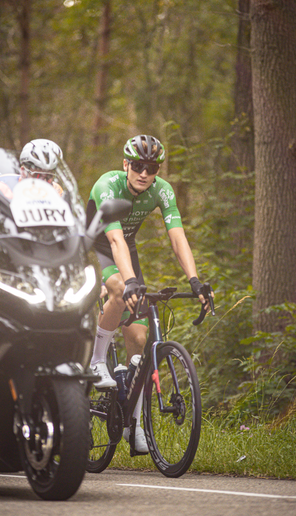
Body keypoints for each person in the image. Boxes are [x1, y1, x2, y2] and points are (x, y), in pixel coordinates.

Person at [86, 134, 209, 453]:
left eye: (152, 167)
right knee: (118, 290)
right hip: (95, 248)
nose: (144, 173)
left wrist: (195, 280)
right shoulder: (108, 186)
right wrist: (128, 282)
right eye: (138, 166)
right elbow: (113, 243)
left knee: (139, 340)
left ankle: (134, 424)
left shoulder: (161, 190)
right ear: (126, 164)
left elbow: (178, 238)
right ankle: (97, 360)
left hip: (128, 249)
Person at [0, 138, 64, 195]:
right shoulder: (3, 184)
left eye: (48, 177)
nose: (43, 182)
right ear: (23, 171)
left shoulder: (56, 191)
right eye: (37, 176)